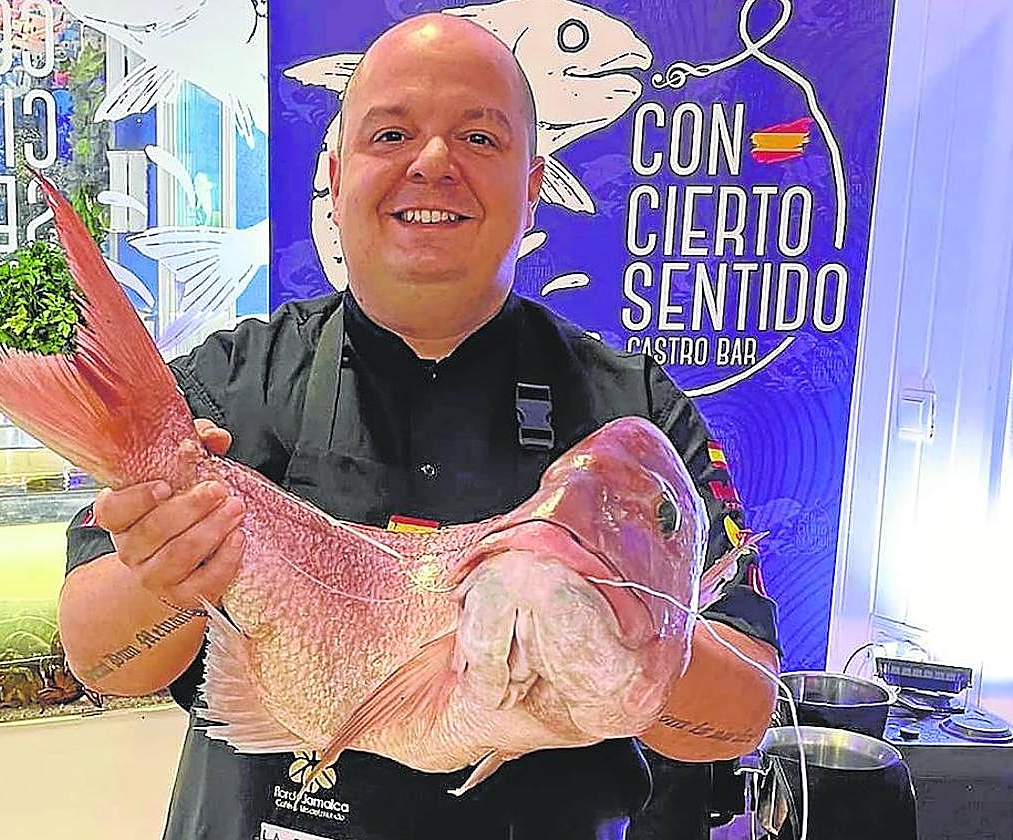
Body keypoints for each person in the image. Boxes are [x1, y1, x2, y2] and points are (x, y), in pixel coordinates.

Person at [58, 13, 780, 840]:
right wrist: (164, 573)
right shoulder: (229, 384)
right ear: (335, 170)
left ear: (534, 181)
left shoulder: (637, 420)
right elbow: (96, 656)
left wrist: (631, 636)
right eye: (392, 132)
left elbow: (744, 710)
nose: (433, 163)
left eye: (479, 138)